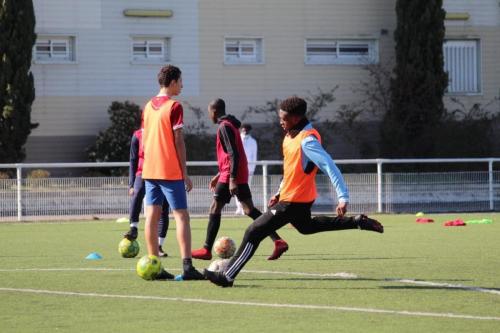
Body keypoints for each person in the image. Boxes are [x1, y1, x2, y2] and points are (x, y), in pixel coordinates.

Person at [204, 96, 384, 287]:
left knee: (253, 231)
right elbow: (291, 169)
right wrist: (279, 191)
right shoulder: (290, 136)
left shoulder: (308, 141)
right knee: (307, 227)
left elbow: (330, 167)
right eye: (280, 117)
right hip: (294, 198)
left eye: (284, 118)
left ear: (296, 118)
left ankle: (227, 276)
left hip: (293, 201)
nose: (281, 121)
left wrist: (343, 197)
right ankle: (357, 222)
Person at [191, 98, 289, 261]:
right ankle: (278, 240)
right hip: (233, 173)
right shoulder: (230, 125)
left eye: (210, 113)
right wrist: (219, 174)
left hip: (231, 174)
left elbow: (233, 154)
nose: (210, 116)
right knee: (249, 210)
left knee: (215, 208)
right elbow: (230, 154)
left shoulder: (224, 127)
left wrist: (232, 178)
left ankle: (206, 249)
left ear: (214, 112)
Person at [141, 65, 204, 280]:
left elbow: (144, 138)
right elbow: (178, 141)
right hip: (169, 170)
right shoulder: (174, 106)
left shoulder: (148, 106)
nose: (183, 85)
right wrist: (184, 172)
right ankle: (187, 267)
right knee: (182, 217)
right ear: (174, 81)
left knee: (151, 216)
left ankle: (154, 265)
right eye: (181, 81)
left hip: (149, 169)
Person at [123, 128, 169, 257]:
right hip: (142, 173)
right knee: (137, 193)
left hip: (161, 173)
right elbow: (133, 160)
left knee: (163, 207)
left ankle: (159, 246)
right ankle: (133, 228)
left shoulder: (163, 132)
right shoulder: (137, 135)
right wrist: (131, 184)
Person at [234, 124, 257, 215]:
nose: (245, 132)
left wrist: (252, 169)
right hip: (238, 168)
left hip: (249, 169)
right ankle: (239, 207)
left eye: (246, 130)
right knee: (236, 188)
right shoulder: (237, 139)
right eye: (243, 130)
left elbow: (254, 156)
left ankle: (245, 208)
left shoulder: (253, 141)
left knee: (246, 188)